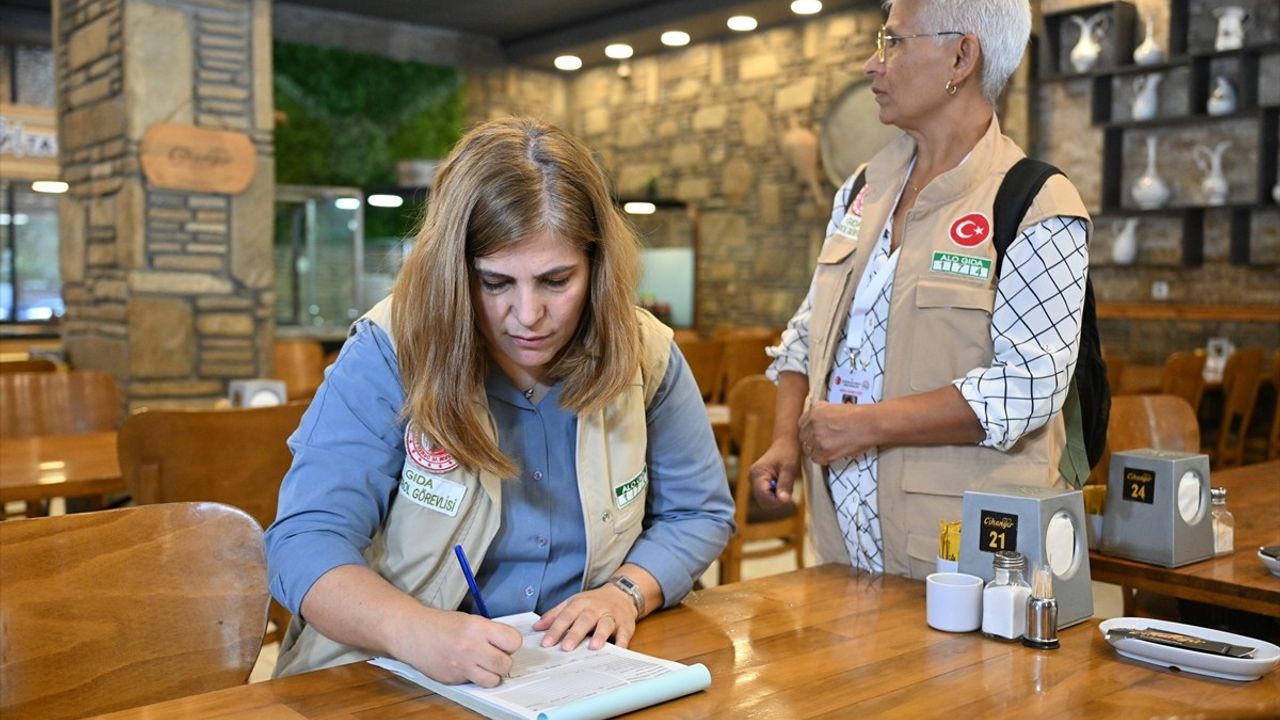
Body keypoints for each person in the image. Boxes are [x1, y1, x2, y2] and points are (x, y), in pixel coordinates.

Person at [265, 117, 734, 686]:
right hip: (391, 673)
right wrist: (414, 630)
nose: (528, 315)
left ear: (596, 268)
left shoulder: (647, 354)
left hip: (572, 671)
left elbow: (699, 512)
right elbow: (303, 540)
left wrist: (626, 591)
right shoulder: (388, 350)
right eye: (495, 284)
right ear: (454, 273)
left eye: (556, 281)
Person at [751, 0, 1091, 580]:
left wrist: (867, 425)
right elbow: (808, 333)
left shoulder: (1037, 204)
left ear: (962, 56)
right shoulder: (863, 188)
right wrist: (786, 437)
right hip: (843, 547)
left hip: (965, 557)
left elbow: (1028, 386)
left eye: (893, 42)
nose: (871, 64)